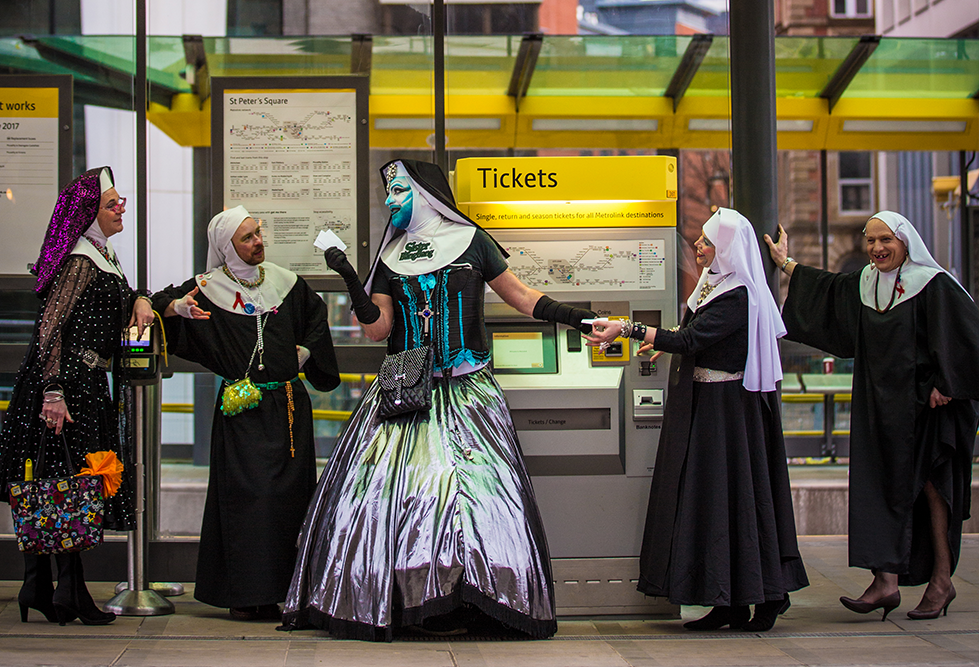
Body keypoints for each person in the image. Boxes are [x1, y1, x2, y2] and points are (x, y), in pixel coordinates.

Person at [280, 159, 596, 641]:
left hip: (469, 387)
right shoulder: (390, 256)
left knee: (478, 495)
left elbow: (522, 297)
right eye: (387, 191)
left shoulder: (472, 242)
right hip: (407, 388)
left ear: (427, 194)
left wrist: (579, 319)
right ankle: (418, 601)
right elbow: (378, 329)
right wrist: (346, 273)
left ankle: (479, 596)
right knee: (407, 495)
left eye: (399, 190)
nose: (390, 200)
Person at [587, 208, 808, 632]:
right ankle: (726, 600)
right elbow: (692, 331)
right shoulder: (716, 286)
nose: (698, 247)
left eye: (706, 241)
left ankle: (767, 595)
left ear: (726, 246)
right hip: (708, 409)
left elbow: (692, 338)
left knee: (738, 500)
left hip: (728, 413)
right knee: (714, 504)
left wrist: (630, 330)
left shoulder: (739, 294)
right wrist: (661, 341)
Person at [765, 211, 979, 620]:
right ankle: (885, 583)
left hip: (926, 410)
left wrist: (946, 383)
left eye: (886, 240)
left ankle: (941, 581)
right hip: (879, 407)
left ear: (906, 242)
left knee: (933, 491)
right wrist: (786, 264)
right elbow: (828, 290)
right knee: (878, 488)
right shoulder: (865, 284)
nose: (877, 248)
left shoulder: (934, 285)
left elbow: (965, 337)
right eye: (870, 241)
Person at [150, 206, 340, 621]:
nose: (258, 242)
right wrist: (176, 308)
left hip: (288, 411)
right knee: (248, 501)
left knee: (289, 501)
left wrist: (306, 352)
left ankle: (290, 592)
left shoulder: (287, 283)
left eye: (258, 233)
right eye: (248, 238)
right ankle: (246, 593)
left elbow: (315, 320)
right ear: (226, 247)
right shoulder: (208, 288)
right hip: (242, 415)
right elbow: (156, 304)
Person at [0, 167, 154, 626]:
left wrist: (141, 297)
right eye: (111, 204)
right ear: (88, 214)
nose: (121, 209)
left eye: (120, 201)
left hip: (82, 385)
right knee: (66, 483)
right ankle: (69, 592)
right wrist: (53, 391)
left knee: (53, 479)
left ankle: (39, 583)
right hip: (65, 388)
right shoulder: (81, 260)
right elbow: (50, 327)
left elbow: (112, 298)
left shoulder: (102, 253)